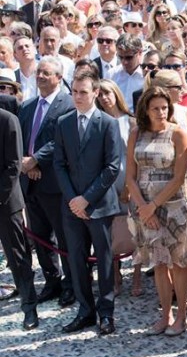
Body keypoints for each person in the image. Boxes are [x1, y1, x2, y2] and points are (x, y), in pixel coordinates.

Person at [53, 73, 122, 335]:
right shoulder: (64, 122)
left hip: (99, 205)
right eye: (75, 92)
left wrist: (86, 199)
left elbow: (112, 166)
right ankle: (85, 311)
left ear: (95, 93)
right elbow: (59, 164)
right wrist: (73, 199)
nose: (78, 97)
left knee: (104, 260)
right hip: (72, 206)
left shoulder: (108, 123)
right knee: (76, 259)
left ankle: (106, 313)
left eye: (83, 92)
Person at [125, 88, 187, 336]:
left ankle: (182, 316)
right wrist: (143, 207)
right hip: (143, 206)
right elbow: (130, 176)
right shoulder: (136, 133)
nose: (161, 112)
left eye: (164, 107)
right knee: (159, 263)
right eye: (155, 108)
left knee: (178, 261)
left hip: (173, 206)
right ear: (145, 109)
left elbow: (179, 177)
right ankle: (166, 314)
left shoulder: (178, 133)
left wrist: (153, 206)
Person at [18, 57, 76, 307]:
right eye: (39, 72)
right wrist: (27, 164)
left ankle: (71, 284)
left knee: (64, 237)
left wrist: (36, 160)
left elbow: (61, 140)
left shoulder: (68, 104)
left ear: (59, 78)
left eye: (46, 73)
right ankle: (52, 282)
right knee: (41, 237)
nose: (40, 76)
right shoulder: (27, 106)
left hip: (55, 183)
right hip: (31, 183)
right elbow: (21, 137)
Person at [96, 78, 142, 297]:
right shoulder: (98, 121)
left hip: (129, 180)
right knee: (112, 231)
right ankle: (115, 277)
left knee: (135, 229)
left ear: (116, 93)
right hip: (106, 183)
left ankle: (137, 277)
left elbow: (136, 157)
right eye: (100, 94)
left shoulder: (131, 121)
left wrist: (129, 186)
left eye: (107, 93)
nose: (104, 98)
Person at [0, 106, 38, 330]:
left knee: (17, 257)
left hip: (5, 203)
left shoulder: (7, 120)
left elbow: (14, 165)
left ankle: (29, 306)